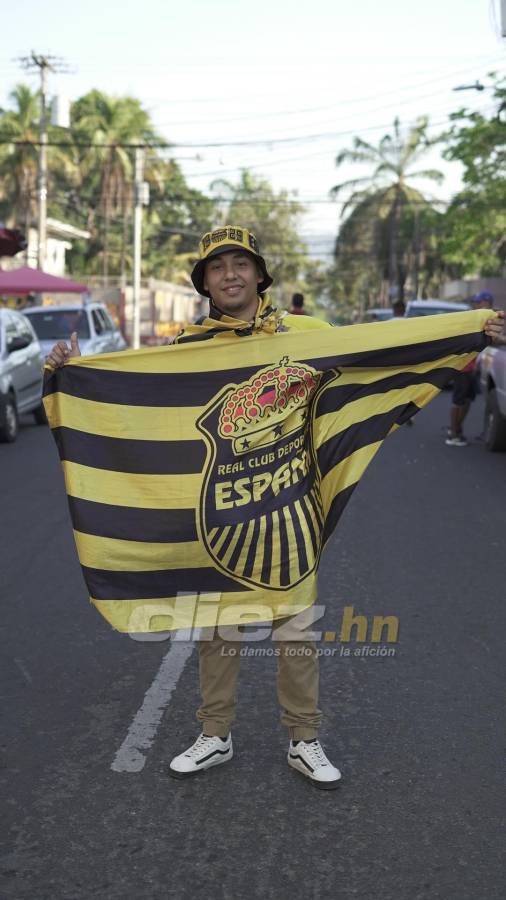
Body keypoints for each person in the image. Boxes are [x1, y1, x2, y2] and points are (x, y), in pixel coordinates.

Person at [45, 227, 505, 790]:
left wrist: (469, 331)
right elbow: (136, 402)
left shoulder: (306, 334)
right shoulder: (186, 349)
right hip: (220, 511)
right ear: (204, 282)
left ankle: (303, 739)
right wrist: (66, 374)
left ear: (261, 275)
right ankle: (215, 734)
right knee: (218, 627)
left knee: (296, 629)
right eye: (218, 267)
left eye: (241, 264)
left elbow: (381, 349)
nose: (231, 275)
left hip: (289, 504)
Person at [446, 291, 495, 447]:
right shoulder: (475, 319)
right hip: (462, 367)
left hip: (472, 367)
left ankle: (457, 429)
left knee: (467, 400)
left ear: (487, 302)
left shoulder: (485, 317)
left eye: (479, 301)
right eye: (476, 302)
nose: (476, 304)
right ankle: (453, 433)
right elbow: (492, 339)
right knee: (459, 401)